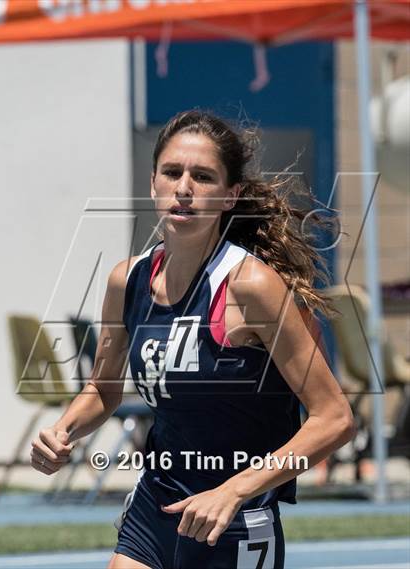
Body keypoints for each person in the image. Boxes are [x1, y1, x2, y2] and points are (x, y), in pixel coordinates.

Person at [30, 110, 355, 569]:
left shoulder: (251, 287)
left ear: (229, 196)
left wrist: (233, 490)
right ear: (153, 184)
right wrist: (62, 431)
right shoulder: (128, 280)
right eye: (172, 172)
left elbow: (335, 418)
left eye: (203, 177)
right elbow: (103, 390)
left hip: (234, 518)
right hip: (155, 505)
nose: (184, 187)